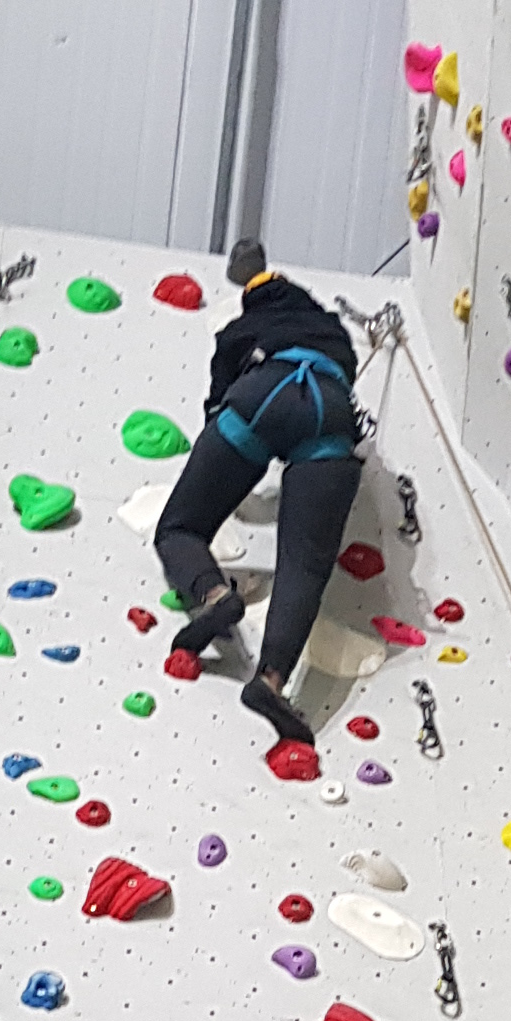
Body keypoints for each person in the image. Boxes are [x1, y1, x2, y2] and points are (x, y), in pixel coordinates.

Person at [151, 237, 363, 741]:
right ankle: (270, 681)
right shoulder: (333, 330)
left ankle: (214, 594)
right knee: (304, 565)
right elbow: (348, 374)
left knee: (180, 528)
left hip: (261, 393)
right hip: (329, 409)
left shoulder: (239, 330)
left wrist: (222, 459)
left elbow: (217, 402)